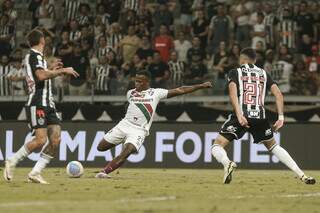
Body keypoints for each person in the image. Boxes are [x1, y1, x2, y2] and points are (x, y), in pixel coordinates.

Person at [211, 47, 316, 185]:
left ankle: (227, 163)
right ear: (255, 60)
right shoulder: (264, 73)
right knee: (273, 146)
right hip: (260, 116)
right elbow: (278, 94)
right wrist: (281, 117)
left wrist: (239, 114)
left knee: (217, 146)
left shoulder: (235, 72)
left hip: (242, 115)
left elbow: (232, 94)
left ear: (242, 59)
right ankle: (302, 175)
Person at [95, 70, 212, 178]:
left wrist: (200, 86)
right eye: (136, 81)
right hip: (124, 125)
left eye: (140, 81)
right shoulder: (130, 93)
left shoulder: (156, 93)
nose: (137, 83)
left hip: (139, 130)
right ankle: (121, 143)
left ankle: (104, 172)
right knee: (101, 147)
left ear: (147, 82)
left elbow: (180, 90)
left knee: (128, 150)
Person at [3, 29, 79, 184]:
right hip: (37, 102)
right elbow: (41, 76)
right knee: (40, 140)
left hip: (48, 103)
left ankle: (35, 172)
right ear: (42, 40)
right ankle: (12, 161)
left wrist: (52, 70)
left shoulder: (38, 57)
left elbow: (42, 75)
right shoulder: (34, 55)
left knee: (56, 139)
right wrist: (63, 71)